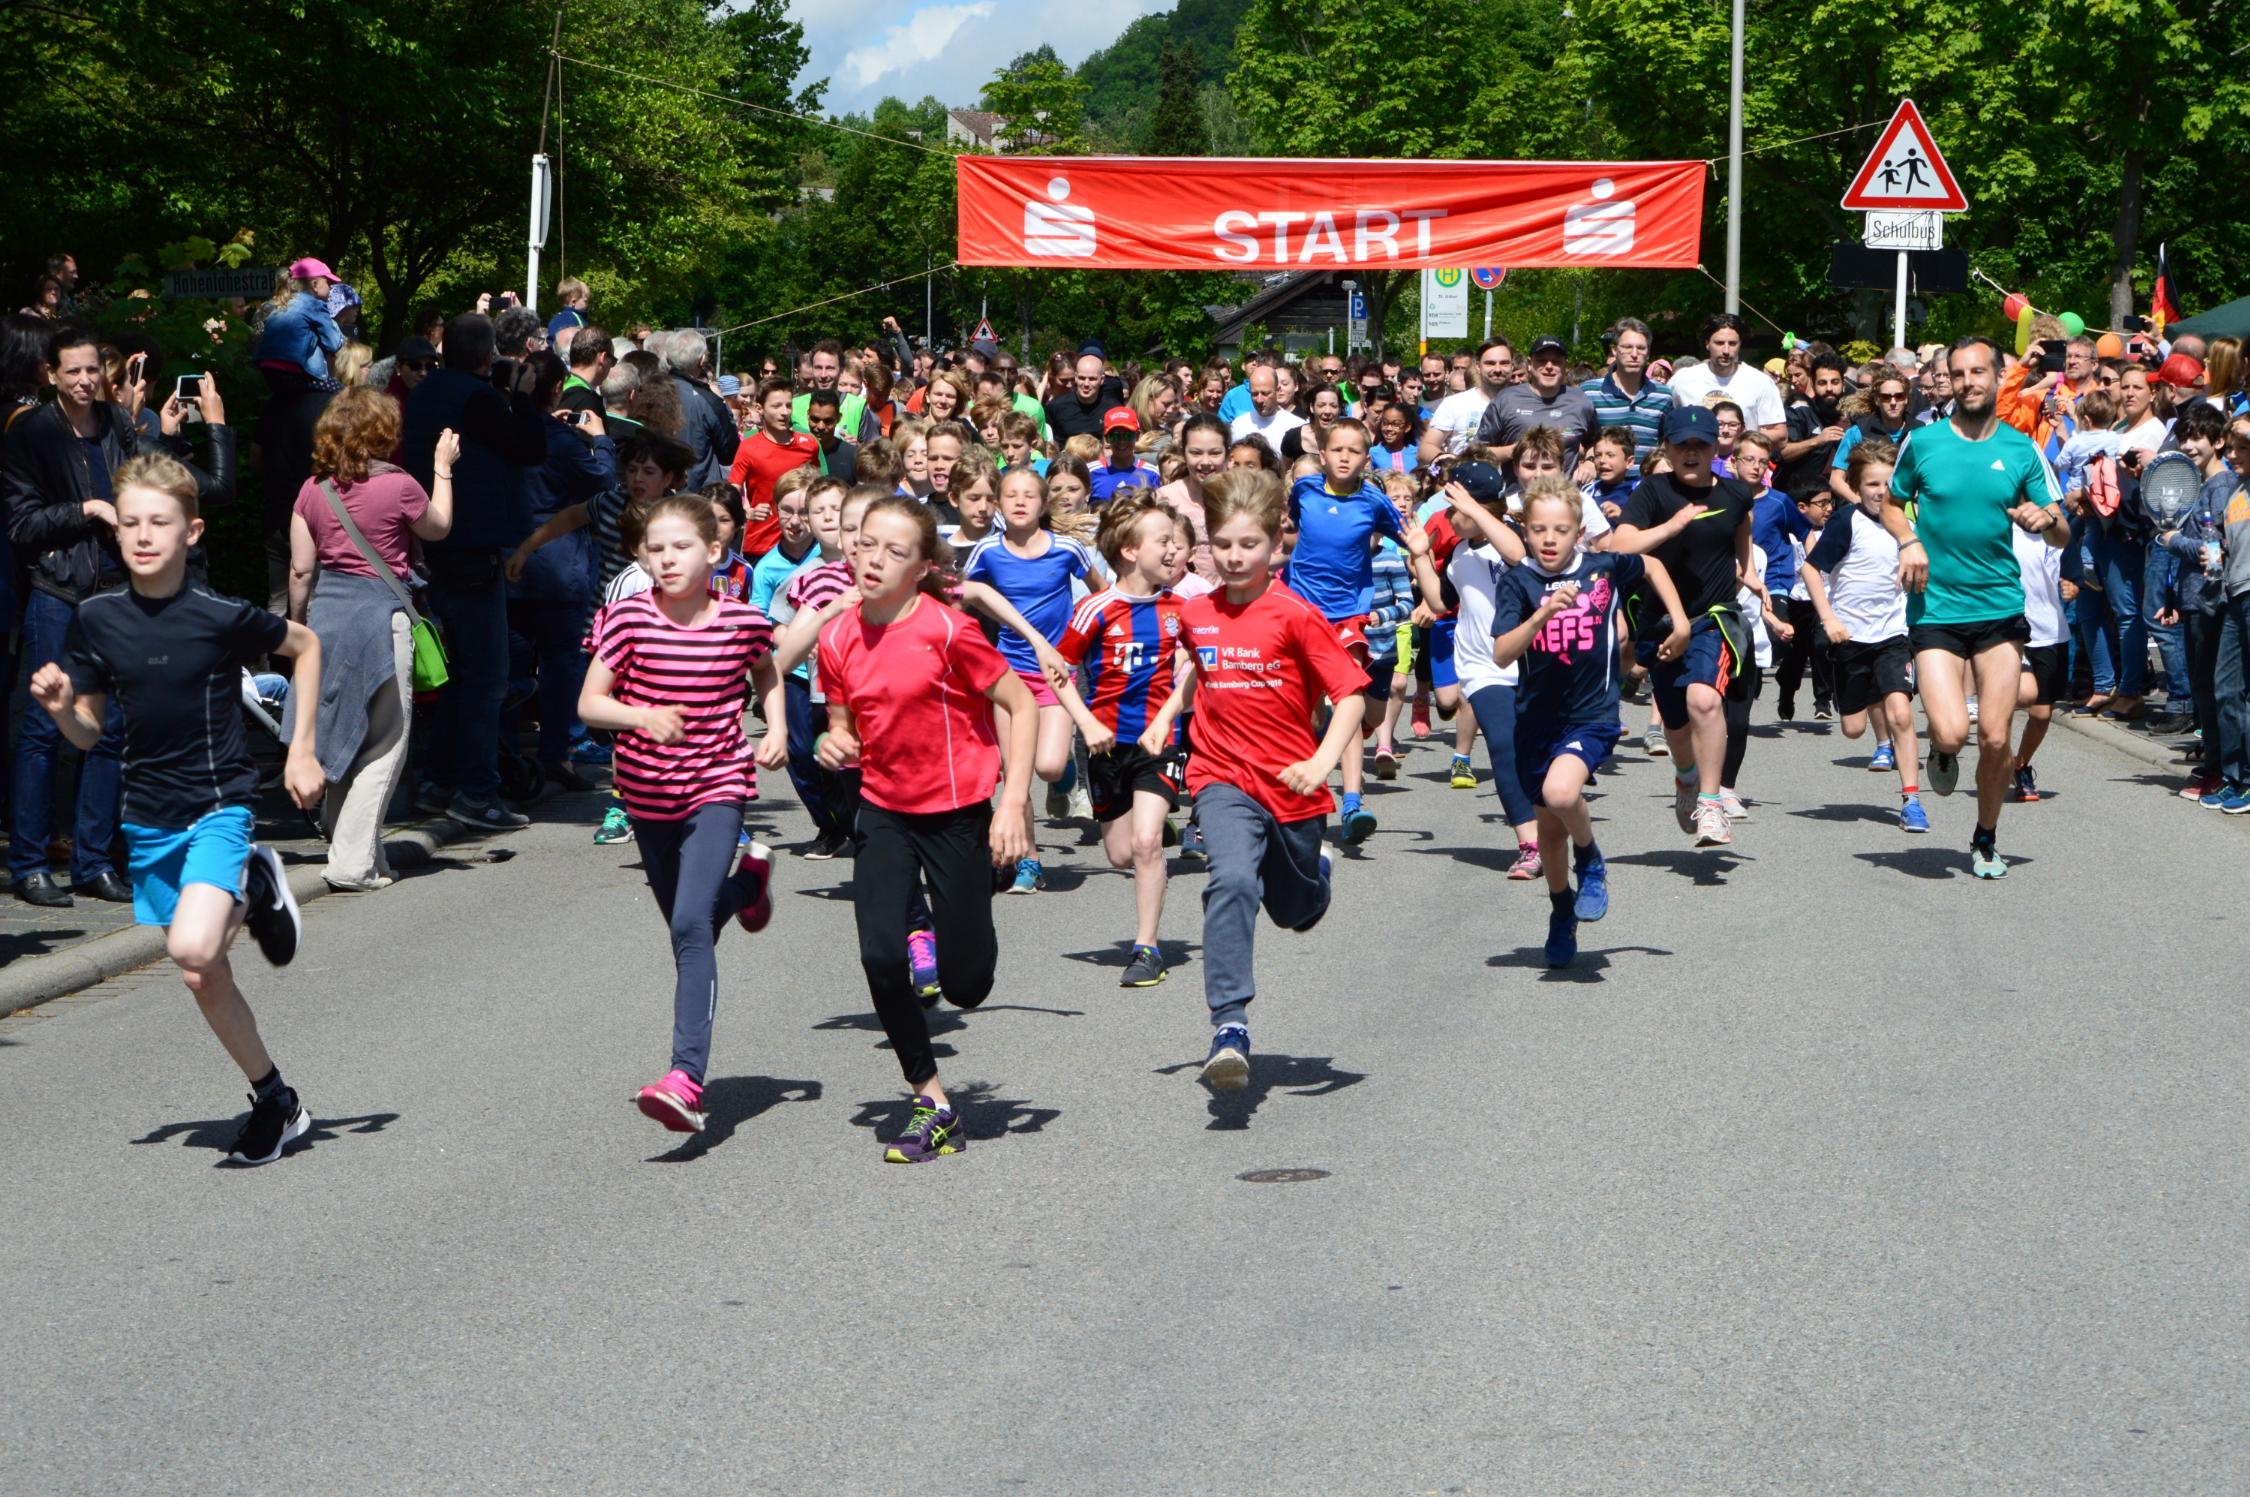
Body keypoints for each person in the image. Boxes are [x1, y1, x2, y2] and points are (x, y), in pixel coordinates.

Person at [28, 454, 326, 1165]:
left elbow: (307, 645)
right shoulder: (96, 619)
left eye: (158, 522)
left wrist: (300, 749)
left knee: (190, 946)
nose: (141, 535)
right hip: (148, 817)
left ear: (190, 532)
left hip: (218, 804)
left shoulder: (218, 614)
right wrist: (63, 707)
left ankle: (251, 880)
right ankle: (276, 1098)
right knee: (202, 971)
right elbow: (90, 734)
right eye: (129, 522)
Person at [815, 497, 1038, 1162]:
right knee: (881, 956)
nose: (874, 559)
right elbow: (842, 723)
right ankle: (931, 1099)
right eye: (866, 544)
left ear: (921, 567)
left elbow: (1019, 704)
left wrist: (1013, 803)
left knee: (967, 984)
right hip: (883, 810)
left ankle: (979, 885)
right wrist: (835, 741)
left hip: (958, 808)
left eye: (894, 550)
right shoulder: (836, 636)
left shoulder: (947, 630)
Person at [1136, 468, 1365, 1092]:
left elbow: (1348, 696)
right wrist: (1163, 717)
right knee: (1231, 878)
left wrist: (1322, 764)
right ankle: (1229, 1024)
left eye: (1249, 545)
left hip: (1293, 782)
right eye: (1224, 545)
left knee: (1294, 911)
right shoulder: (1196, 610)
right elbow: (1198, 670)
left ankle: (1313, 876)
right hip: (1220, 775)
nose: (1235, 558)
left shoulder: (1295, 614)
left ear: (1274, 545)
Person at [5, 327, 233, 907]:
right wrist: (85, 509)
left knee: (108, 734)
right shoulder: (31, 432)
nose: (84, 381)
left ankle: (93, 862)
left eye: (90, 371)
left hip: (114, 595)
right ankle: (29, 863)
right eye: (73, 372)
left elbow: (182, 488)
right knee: (41, 731)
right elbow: (21, 525)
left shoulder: (117, 426)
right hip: (57, 591)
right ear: (51, 374)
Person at [579, 493, 785, 1133]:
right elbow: (590, 702)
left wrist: (774, 727)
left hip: (718, 785)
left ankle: (685, 1078)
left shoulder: (743, 621)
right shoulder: (628, 620)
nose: (666, 559)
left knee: (692, 928)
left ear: (715, 553)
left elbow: (768, 671)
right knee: (685, 928)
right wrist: (641, 716)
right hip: (646, 794)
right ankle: (749, 883)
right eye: (655, 549)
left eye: (681, 547)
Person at [1884, 336, 2068, 878]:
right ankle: (1942, 754)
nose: (1967, 382)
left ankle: (1986, 836)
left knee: (1994, 736)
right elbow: (1893, 504)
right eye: (1958, 374)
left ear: (1996, 376)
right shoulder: (1923, 443)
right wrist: (1908, 540)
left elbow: (2062, 531)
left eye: (1977, 372)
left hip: (1999, 608)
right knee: (1950, 733)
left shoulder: (2020, 449)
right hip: (1936, 607)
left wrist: (2044, 521)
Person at [1492, 479, 1688, 967]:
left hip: (1592, 714)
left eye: (1561, 529)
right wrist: (1540, 617)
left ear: (1580, 531)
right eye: (1538, 530)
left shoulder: (1601, 568)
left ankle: (1592, 858)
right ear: (1525, 531)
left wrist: (1681, 623)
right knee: (1549, 833)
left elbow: (1653, 563)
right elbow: (1500, 654)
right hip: (1534, 720)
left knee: (1563, 795)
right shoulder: (1518, 581)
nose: (1550, 539)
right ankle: (1562, 912)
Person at [287, 393, 460, 889]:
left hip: (324, 622)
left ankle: (360, 848)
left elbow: (301, 570)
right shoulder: (400, 486)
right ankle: (352, 864)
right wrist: (441, 468)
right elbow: (440, 527)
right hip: (379, 619)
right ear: (384, 433)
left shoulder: (311, 490)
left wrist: (298, 631)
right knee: (384, 743)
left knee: (344, 734)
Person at [400, 312, 548, 830]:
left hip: (435, 543)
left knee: (458, 677)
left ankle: (440, 782)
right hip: (472, 547)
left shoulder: (425, 394)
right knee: (486, 678)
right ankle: (477, 793)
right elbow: (528, 447)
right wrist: (526, 396)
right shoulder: (478, 398)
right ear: (486, 358)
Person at [1047, 494, 1188, 987]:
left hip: (1158, 743)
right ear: (1130, 550)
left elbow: (1197, 667)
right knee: (1121, 855)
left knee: (1147, 844)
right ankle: (1153, 839)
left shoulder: (1180, 610)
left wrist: (1172, 710)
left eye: (1176, 542)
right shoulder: (1096, 609)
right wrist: (1084, 723)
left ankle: (1146, 949)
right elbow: (1057, 669)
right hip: (1105, 746)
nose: (1174, 550)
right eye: (1163, 541)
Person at [1610, 406, 1759, 848]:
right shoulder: (1653, 491)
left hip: (1713, 619)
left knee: (1704, 702)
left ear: (1717, 447)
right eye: (1682, 444)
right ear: (1668, 448)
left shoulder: (1735, 494)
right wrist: (1672, 526)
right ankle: (1687, 777)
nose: (1692, 452)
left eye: (1701, 444)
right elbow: (1621, 544)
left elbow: (1742, 540)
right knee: (1675, 723)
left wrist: (1750, 579)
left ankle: (1712, 803)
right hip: (1659, 624)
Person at [1286, 418, 1429, 844]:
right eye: (1337, 449)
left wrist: (1425, 574)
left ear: (1367, 459)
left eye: (1354, 450)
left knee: (1350, 703)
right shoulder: (1304, 490)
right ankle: (1305, 783)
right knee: (1311, 712)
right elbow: (1296, 528)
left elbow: (1411, 541)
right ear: (1323, 455)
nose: (1345, 456)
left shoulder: (1374, 501)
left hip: (1350, 615)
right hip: (1301, 612)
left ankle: (1351, 801)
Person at [960, 467, 1103, 893]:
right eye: (1010, 496)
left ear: (1043, 504)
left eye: (1029, 495)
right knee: (1014, 771)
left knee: (1049, 764)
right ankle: (1030, 861)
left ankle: (1065, 776)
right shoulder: (987, 551)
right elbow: (962, 599)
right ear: (1000, 506)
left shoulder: (1067, 548)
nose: (1020, 502)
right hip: (1008, 673)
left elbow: (1098, 595)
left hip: (1057, 671)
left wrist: (1080, 643)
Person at [1799, 439, 1928, 832]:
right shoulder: (1846, 522)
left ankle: (1911, 800)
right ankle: (1871, 693)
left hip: (1893, 635)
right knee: (1853, 729)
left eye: (1889, 483)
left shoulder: (1909, 525)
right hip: (1849, 639)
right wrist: (1829, 619)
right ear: (1856, 487)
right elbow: (1810, 571)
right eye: (1872, 484)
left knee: (1902, 714)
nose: (1881, 492)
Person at [1477, 335, 1600, 472]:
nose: (1549, 366)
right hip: (1519, 492)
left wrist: (1590, 462)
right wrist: (1514, 451)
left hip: (1565, 491)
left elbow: (1596, 444)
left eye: (1556, 361)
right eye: (1541, 361)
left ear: (1565, 365)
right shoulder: (1506, 399)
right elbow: (1478, 452)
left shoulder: (1581, 402)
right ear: (1529, 364)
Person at [727, 376, 817, 559]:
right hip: (761, 544)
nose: (784, 412)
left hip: (803, 543)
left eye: (788, 405)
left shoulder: (808, 444)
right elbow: (731, 492)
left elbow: (818, 489)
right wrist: (747, 512)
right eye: (776, 406)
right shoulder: (749, 447)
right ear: (760, 409)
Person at [1668, 313, 1786, 442]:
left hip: (1741, 460)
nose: (1726, 350)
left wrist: (1743, 438)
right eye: (1719, 343)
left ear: (1740, 344)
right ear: (1707, 344)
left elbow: (1780, 434)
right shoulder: (1682, 380)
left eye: (1732, 343)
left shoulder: (1761, 382)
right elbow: (1664, 424)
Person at [1583, 318, 1673, 462]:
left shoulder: (1663, 395)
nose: (1634, 354)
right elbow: (1581, 441)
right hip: (1603, 481)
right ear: (1614, 350)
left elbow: (1667, 442)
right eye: (1627, 347)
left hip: (1647, 482)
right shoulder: (1590, 392)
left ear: (1648, 353)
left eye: (1641, 348)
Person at [1420, 338, 1513, 466]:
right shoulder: (1455, 403)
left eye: (1504, 363)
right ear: (1478, 366)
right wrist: (1452, 462)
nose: (1497, 369)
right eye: (1490, 363)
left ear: (1512, 366)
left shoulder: (1526, 404)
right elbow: (1426, 448)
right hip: (1463, 483)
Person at [1228, 364, 1305, 454]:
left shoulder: (1297, 426)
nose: (1259, 400)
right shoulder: (1239, 425)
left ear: (1277, 390)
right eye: (1254, 394)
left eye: (1265, 393)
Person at [1089, 407, 1161, 502]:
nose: (1122, 441)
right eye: (1115, 436)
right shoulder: (1090, 472)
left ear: (1137, 436)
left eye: (1128, 435)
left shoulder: (1152, 473)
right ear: (1107, 438)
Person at [802, 387, 860, 486]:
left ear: (838, 418)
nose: (821, 426)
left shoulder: (853, 456)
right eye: (815, 419)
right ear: (808, 415)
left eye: (828, 421)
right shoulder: (796, 451)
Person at [546, 277, 591, 347]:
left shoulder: (556, 319)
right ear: (573, 302)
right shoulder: (570, 319)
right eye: (585, 301)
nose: (587, 304)